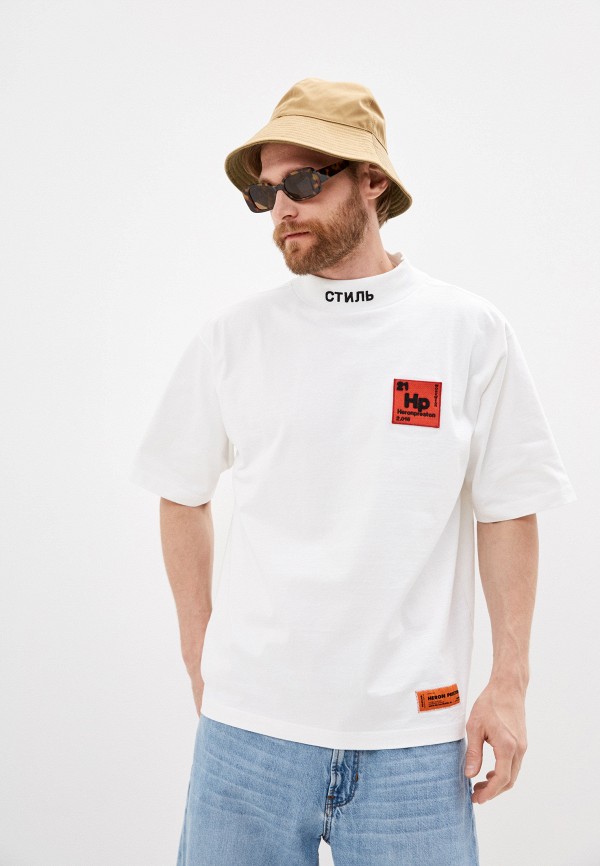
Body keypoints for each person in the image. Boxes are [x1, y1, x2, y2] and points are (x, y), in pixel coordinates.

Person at [129, 78, 577, 865]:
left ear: (371, 180)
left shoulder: (468, 332)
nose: (282, 208)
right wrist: (200, 653)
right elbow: (181, 491)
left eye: (303, 182)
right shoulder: (235, 339)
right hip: (247, 740)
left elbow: (508, 507)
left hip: (416, 744)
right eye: (265, 192)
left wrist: (510, 682)